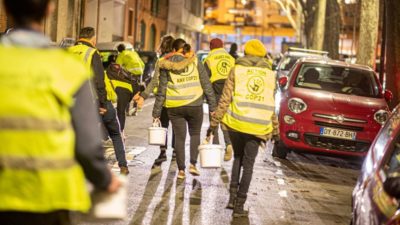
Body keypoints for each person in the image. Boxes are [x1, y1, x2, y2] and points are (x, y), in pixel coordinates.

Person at [0, 0, 120, 224]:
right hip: (52, 198)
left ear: (5, 9)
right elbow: (86, 145)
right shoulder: (68, 69)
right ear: (49, 9)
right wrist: (104, 179)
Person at [208, 39, 278, 217]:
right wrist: (275, 130)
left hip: (237, 123)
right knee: (249, 165)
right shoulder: (270, 74)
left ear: (245, 53)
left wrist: (214, 123)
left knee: (237, 159)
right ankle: (240, 204)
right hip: (258, 126)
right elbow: (271, 104)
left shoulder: (237, 69)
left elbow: (225, 99)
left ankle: (231, 199)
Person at [152, 38, 217, 179]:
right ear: (186, 49)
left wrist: (156, 113)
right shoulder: (195, 61)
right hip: (195, 105)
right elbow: (206, 85)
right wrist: (213, 107)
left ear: (174, 50)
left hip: (175, 107)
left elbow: (161, 90)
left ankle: (181, 170)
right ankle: (193, 164)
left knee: (180, 138)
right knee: (195, 134)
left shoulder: (165, 64)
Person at [68, 27, 129, 175]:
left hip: (74, 101)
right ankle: (123, 166)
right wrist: (102, 104)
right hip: (93, 100)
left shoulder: (68, 52)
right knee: (115, 132)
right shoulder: (92, 52)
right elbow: (99, 80)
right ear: (93, 39)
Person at [133, 35, 192, 165]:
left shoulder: (162, 60)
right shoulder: (182, 59)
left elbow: (154, 82)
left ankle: (163, 152)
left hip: (164, 100)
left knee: (163, 126)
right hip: (178, 99)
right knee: (177, 127)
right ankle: (176, 152)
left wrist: (144, 95)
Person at [204, 38, 235, 161]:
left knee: (214, 121)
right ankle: (228, 144)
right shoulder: (231, 59)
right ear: (222, 46)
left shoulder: (209, 59)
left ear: (211, 47)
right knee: (225, 121)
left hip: (215, 92)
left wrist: (206, 97)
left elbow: (205, 80)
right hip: (229, 93)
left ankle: (216, 151)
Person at [116, 44, 144, 121]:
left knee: (127, 91)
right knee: (136, 92)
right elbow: (142, 64)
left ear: (119, 50)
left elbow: (117, 66)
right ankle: (135, 109)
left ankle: (127, 110)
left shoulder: (121, 54)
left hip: (130, 76)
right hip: (139, 75)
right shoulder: (133, 53)